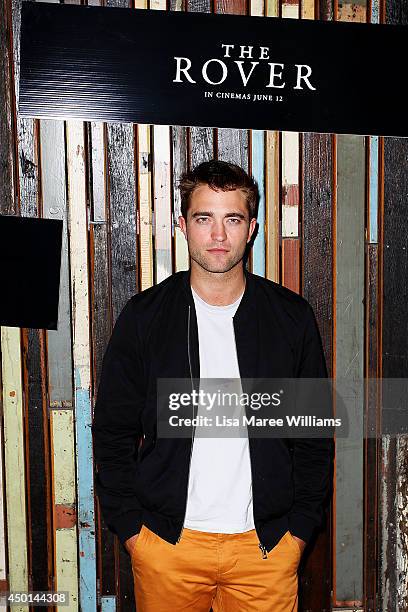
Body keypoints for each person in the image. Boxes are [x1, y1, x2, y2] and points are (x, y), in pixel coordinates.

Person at [91, 159, 333, 611]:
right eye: (204, 218)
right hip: (167, 545)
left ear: (251, 227)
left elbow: (314, 436)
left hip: (266, 548)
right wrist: (133, 532)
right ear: (183, 225)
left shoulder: (290, 318)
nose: (218, 236)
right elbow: (113, 431)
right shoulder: (145, 317)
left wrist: (298, 531)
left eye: (232, 219)